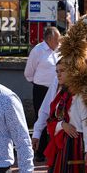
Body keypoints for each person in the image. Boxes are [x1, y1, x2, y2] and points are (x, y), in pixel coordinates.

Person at [24, 26, 61, 161]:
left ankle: (52, 149)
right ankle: (39, 151)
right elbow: (29, 72)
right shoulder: (38, 50)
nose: (59, 42)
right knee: (41, 117)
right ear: (49, 39)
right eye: (57, 39)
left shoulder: (58, 50)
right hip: (41, 89)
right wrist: (37, 82)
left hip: (56, 89)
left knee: (55, 117)